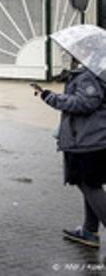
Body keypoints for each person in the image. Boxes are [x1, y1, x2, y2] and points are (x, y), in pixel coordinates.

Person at [38, 59, 106, 248]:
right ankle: (89, 230)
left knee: (89, 185)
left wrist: (51, 98)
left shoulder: (89, 76)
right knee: (91, 185)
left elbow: (85, 103)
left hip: (87, 140)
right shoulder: (94, 72)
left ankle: (90, 231)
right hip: (92, 138)